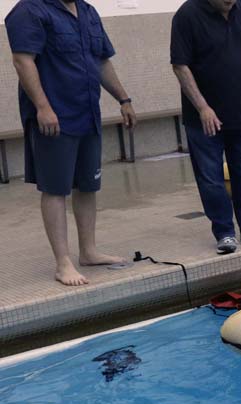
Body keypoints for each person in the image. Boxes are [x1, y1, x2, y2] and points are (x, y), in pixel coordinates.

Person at [6, 0, 136, 286]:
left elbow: (101, 60)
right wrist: (42, 106)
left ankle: (88, 250)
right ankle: (62, 262)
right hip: (54, 115)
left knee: (87, 184)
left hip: (87, 111)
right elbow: (23, 60)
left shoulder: (87, 12)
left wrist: (123, 99)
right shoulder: (30, 11)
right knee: (55, 187)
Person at [170, 0, 241, 254]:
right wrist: (202, 107)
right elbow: (180, 66)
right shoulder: (187, 15)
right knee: (211, 178)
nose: (230, 2)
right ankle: (224, 232)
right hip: (204, 118)